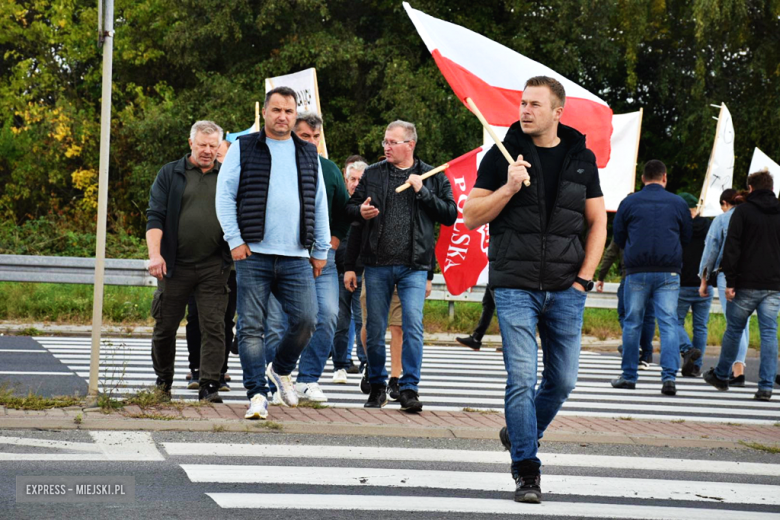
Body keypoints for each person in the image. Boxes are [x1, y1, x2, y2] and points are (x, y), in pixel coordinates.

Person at [463, 76, 607, 504]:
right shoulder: (501, 154)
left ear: (558, 112)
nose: (524, 111)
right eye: (522, 104)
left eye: (535, 105)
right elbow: (471, 216)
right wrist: (507, 186)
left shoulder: (582, 159)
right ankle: (527, 470)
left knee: (562, 381)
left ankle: (520, 432)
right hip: (515, 286)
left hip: (567, 287)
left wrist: (584, 278)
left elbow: (598, 221)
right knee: (522, 379)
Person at [216, 87, 331, 420]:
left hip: (296, 255)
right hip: (253, 252)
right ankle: (256, 394)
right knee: (251, 327)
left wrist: (320, 248)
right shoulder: (243, 148)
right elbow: (225, 196)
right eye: (276, 110)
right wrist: (234, 239)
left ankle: (280, 369)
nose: (283, 116)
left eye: (289, 111)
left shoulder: (308, 153)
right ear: (264, 113)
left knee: (308, 319)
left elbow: (319, 202)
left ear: (295, 116)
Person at [345, 120, 456, 412]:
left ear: (410, 144)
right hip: (378, 263)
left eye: (392, 142)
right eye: (385, 141)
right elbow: (349, 209)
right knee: (375, 326)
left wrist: (424, 192)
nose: (386, 147)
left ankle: (408, 388)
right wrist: (361, 211)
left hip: (414, 266)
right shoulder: (373, 173)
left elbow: (450, 215)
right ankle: (378, 385)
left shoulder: (432, 175)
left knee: (412, 326)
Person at [260, 112, 350, 404]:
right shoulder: (278, 164)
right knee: (276, 322)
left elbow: (343, 212)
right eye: (304, 136)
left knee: (327, 315)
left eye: (315, 137)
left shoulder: (330, 169)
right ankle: (276, 382)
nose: (311, 142)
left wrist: (331, 244)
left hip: (323, 256)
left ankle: (307, 379)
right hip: (284, 254)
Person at [146, 121, 232, 403]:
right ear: (191, 143)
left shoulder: (229, 175)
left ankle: (209, 384)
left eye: (213, 146)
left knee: (214, 326)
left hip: (213, 266)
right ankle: (163, 382)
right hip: (173, 265)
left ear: (219, 146)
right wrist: (155, 255)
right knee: (164, 328)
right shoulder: (171, 173)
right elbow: (155, 215)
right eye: (202, 145)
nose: (207, 151)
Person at [611, 160, 691, 396]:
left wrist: (634, 249)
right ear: (664, 177)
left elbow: (619, 235)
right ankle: (668, 378)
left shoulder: (629, 202)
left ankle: (628, 376)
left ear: (643, 178)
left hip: (637, 270)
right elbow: (686, 236)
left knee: (632, 322)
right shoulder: (678, 203)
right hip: (669, 270)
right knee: (668, 323)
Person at [704, 170, 780, 401]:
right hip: (774, 285)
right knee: (768, 333)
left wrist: (730, 281)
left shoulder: (743, 211)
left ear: (750, 188)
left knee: (734, 330)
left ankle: (722, 375)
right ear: (771, 187)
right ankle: (765, 386)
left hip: (746, 283)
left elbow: (732, 248)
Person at [185, 139, 236, 392]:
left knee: (224, 320)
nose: (218, 157)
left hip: (231, 266)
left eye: (222, 153)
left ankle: (219, 371)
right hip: (200, 263)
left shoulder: (232, 180)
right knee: (196, 317)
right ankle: (197, 369)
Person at [698, 189, 750, 386]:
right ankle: (739, 369)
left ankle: (737, 373)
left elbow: (711, 250)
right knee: (743, 324)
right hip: (752, 276)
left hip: (726, 274)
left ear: (725, 203)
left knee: (734, 324)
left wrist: (703, 279)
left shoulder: (722, 219)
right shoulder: (752, 217)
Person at [332, 160, 369, 381]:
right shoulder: (339, 206)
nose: (356, 184)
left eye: (360, 180)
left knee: (363, 319)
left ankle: (365, 362)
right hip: (339, 269)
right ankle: (340, 364)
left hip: (365, 270)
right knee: (340, 320)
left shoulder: (373, 206)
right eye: (352, 179)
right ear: (345, 181)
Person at [596, 238, 655, 368]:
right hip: (653, 276)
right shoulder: (656, 225)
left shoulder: (626, 225)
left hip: (629, 275)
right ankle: (646, 354)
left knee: (625, 314)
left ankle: (633, 345)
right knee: (649, 316)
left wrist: (601, 276)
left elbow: (611, 253)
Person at [675, 192, 714, 377]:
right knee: (700, 326)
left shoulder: (678, 226)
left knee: (674, 321)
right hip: (704, 283)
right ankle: (696, 365)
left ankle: (687, 348)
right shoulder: (709, 225)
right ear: (696, 209)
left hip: (682, 282)